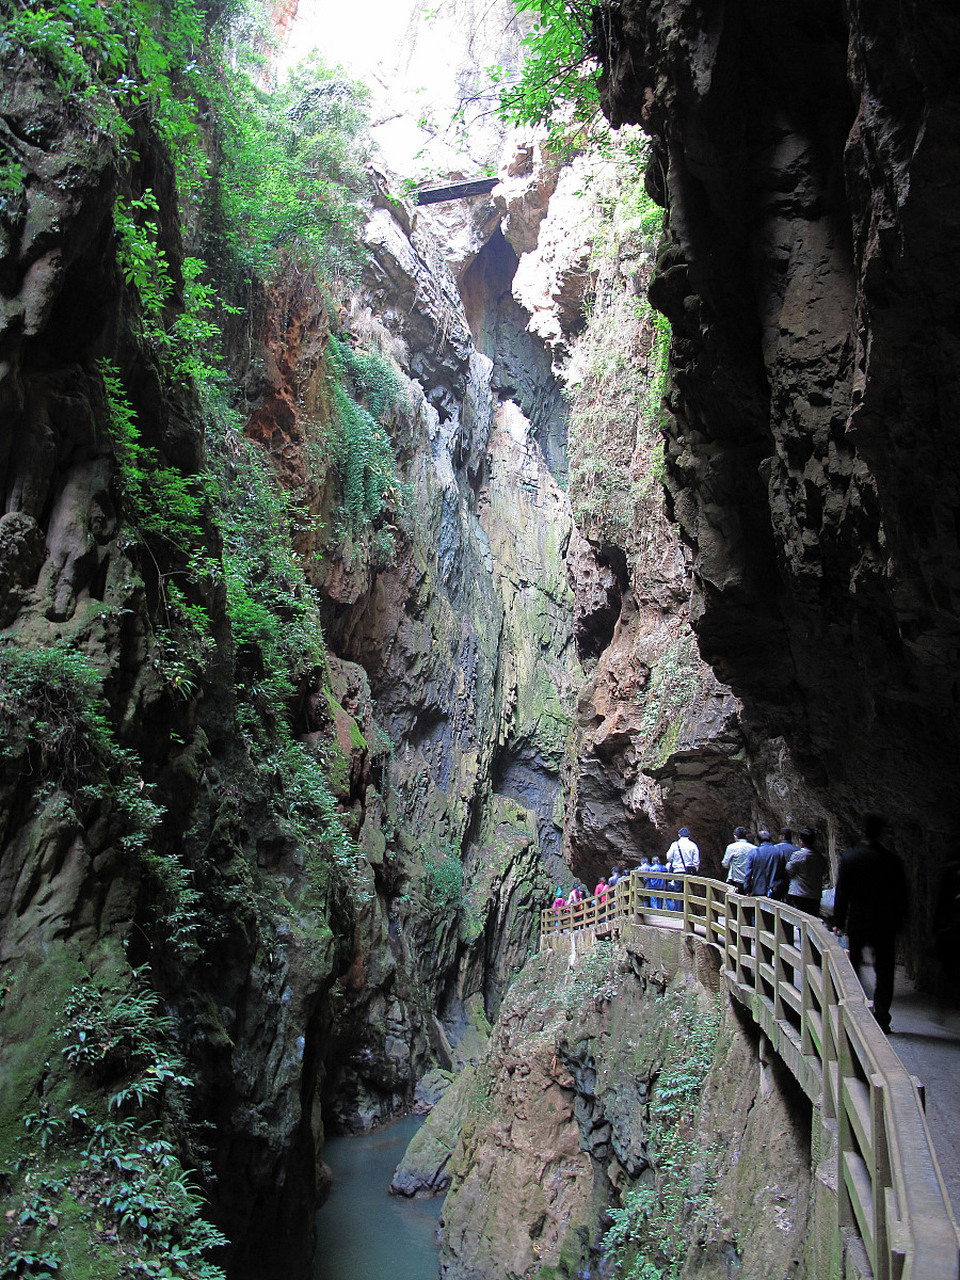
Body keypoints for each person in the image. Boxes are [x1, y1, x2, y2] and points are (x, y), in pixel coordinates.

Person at [831, 812, 908, 1033]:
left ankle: (855, 1011)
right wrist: (903, 921)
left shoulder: (851, 857)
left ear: (863, 831)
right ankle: (881, 1015)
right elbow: (901, 894)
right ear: (882, 832)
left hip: (859, 920)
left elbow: (842, 892)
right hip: (886, 922)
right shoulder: (892, 860)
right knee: (885, 970)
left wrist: (839, 920)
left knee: (854, 966)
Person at [785, 829, 827, 915]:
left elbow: (789, 871)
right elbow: (823, 871)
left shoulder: (798, 855)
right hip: (815, 895)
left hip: (799, 893)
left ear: (801, 841)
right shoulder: (821, 857)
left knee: (800, 921)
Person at [743, 830, 788, 900]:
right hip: (775, 891)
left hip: (758, 891)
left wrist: (747, 889)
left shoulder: (753, 853)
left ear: (758, 840)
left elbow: (748, 873)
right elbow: (784, 873)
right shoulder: (779, 852)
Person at [664, 826, 699, 910]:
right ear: (689, 836)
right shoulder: (693, 845)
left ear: (679, 835)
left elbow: (669, 857)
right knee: (688, 893)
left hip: (678, 871)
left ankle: (679, 912)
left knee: (678, 893)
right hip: (689, 873)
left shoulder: (675, 845)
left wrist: (674, 861)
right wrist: (695, 869)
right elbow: (696, 861)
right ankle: (688, 912)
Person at [722, 826, 755, 892]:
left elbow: (725, 864)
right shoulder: (754, 848)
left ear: (735, 836)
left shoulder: (731, 847)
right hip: (751, 882)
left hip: (736, 882)